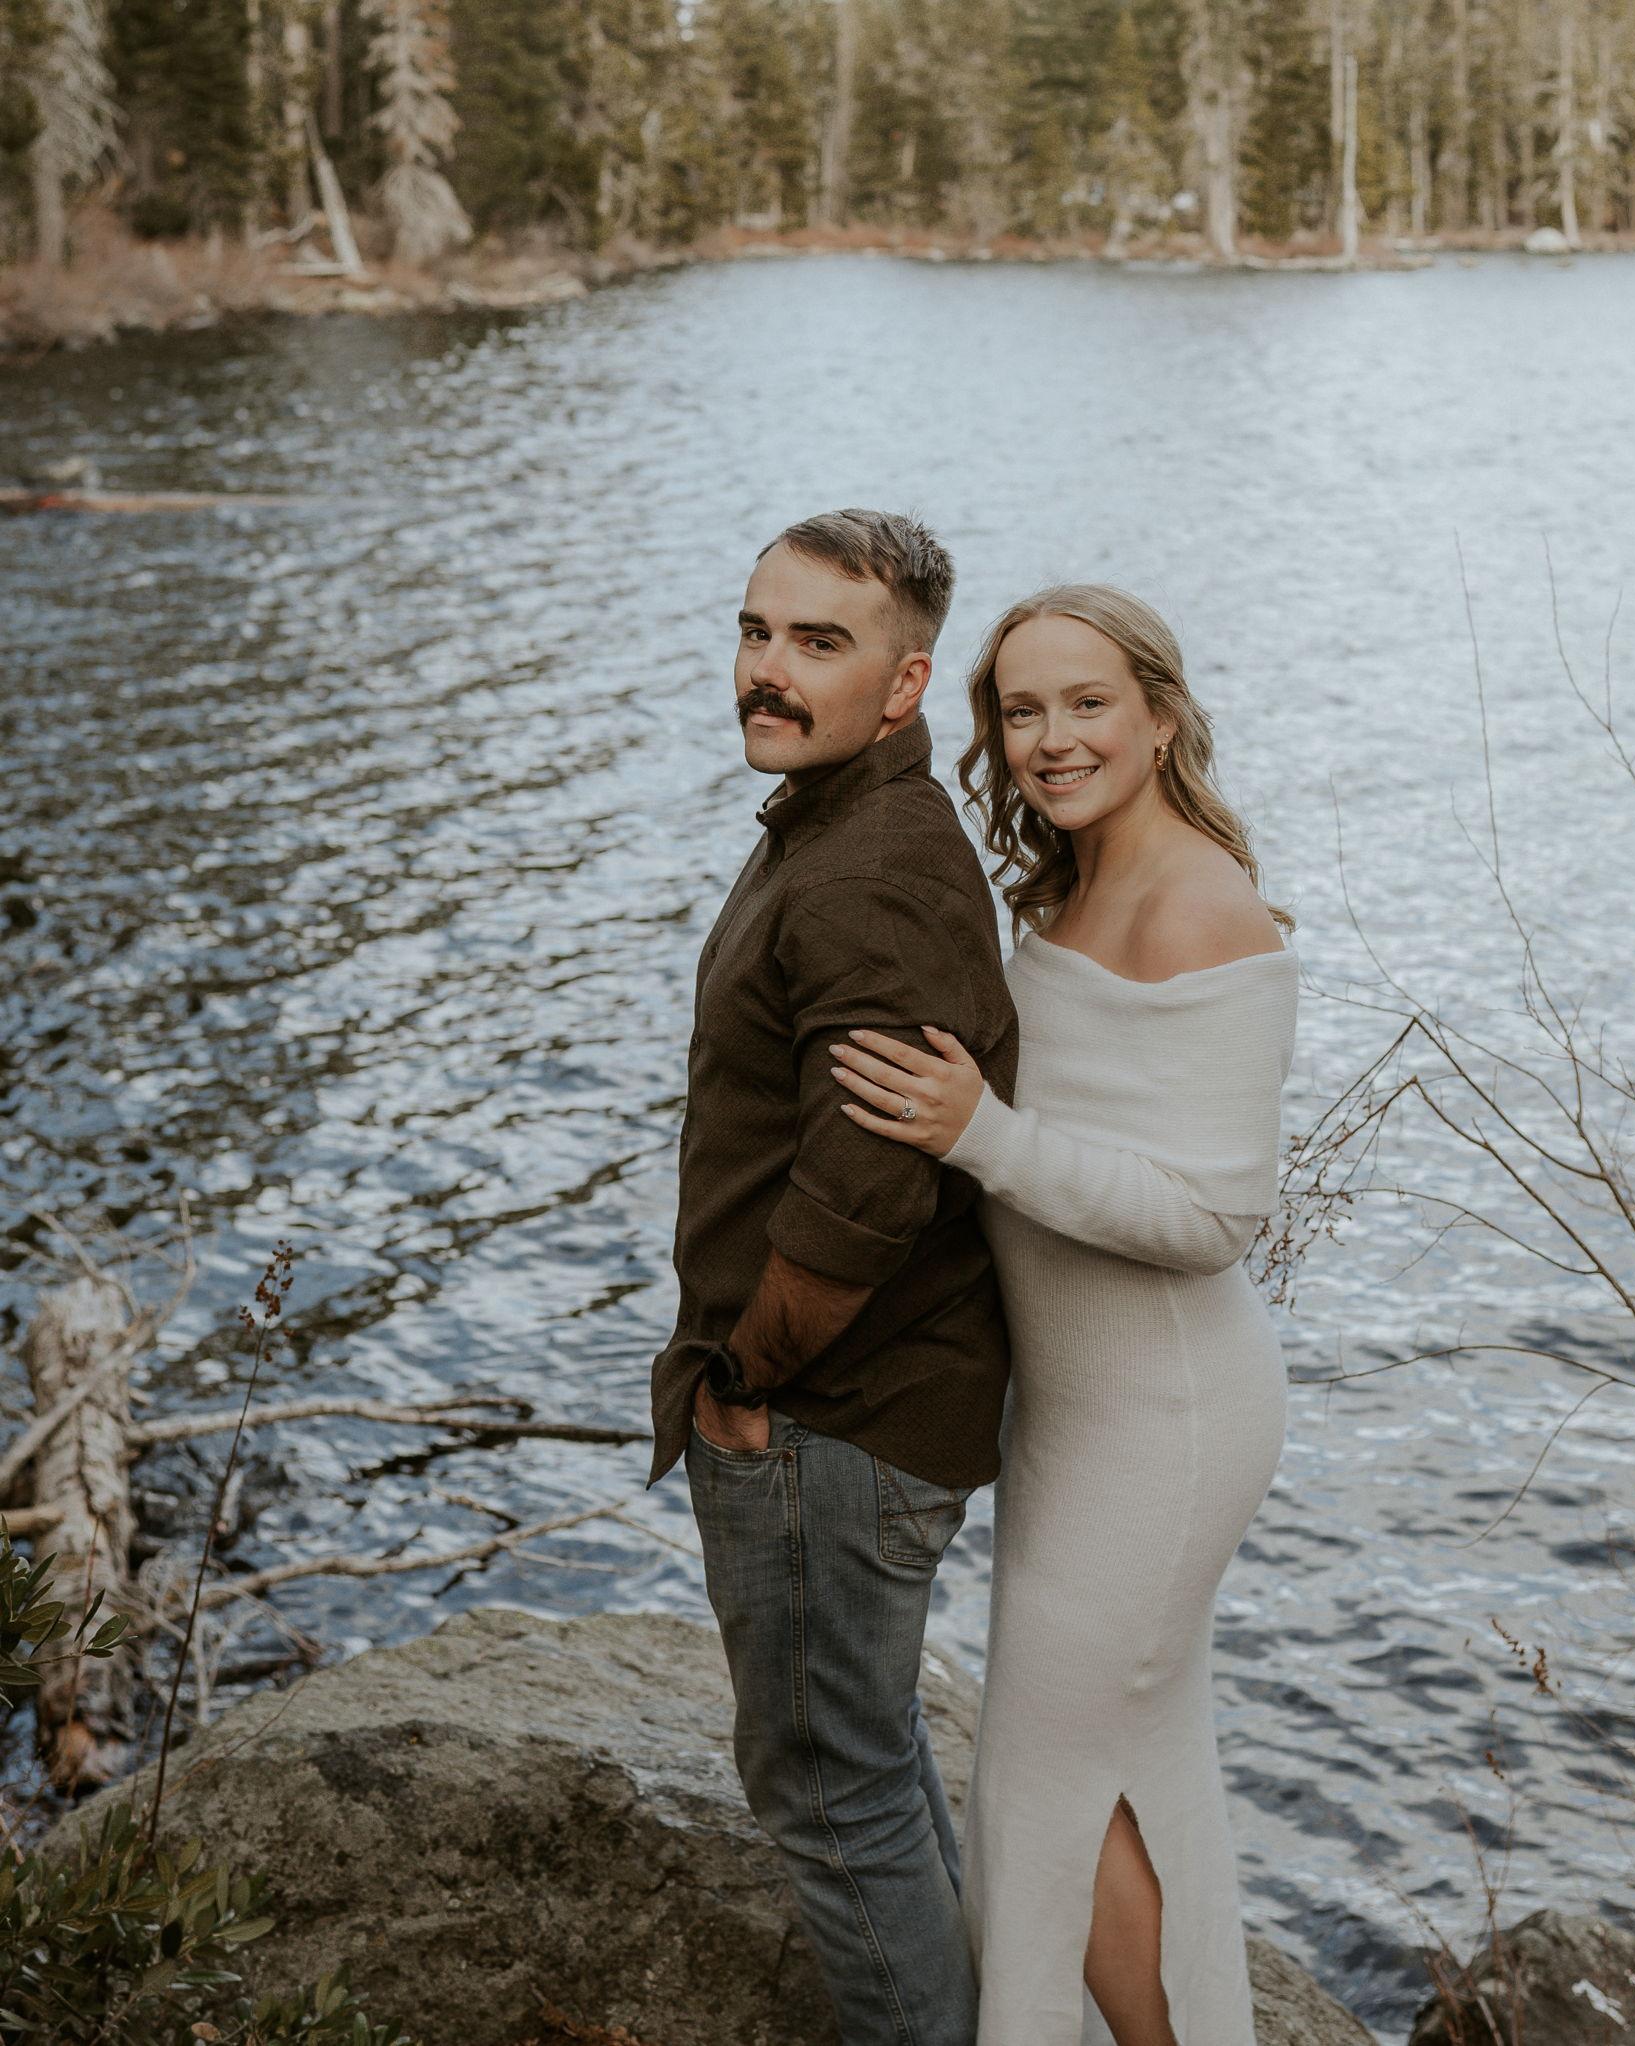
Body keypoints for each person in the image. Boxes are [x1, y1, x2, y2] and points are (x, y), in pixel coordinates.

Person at [828, 584, 1297, 2046]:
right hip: (1076, 1413)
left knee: (1048, 1785)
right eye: (1022, 710)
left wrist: (983, 1133)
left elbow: (1217, 1217)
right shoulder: (1071, 886)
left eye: (1088, 703)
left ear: (1162, 714)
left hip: (1166, 1416)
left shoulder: (1201, 905)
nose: (1052, 739)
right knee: (1127, 1766)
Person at [646, 509, 1018, 2045]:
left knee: (830, 1789)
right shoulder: (832, 820)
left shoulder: (869, 867)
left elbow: (864, 1193)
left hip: (828, 1419)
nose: (769, 671)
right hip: (846, 1414)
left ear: (905, 680)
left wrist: (746, 1378)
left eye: (818, 643)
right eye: (757, 631)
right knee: (867, 1760)